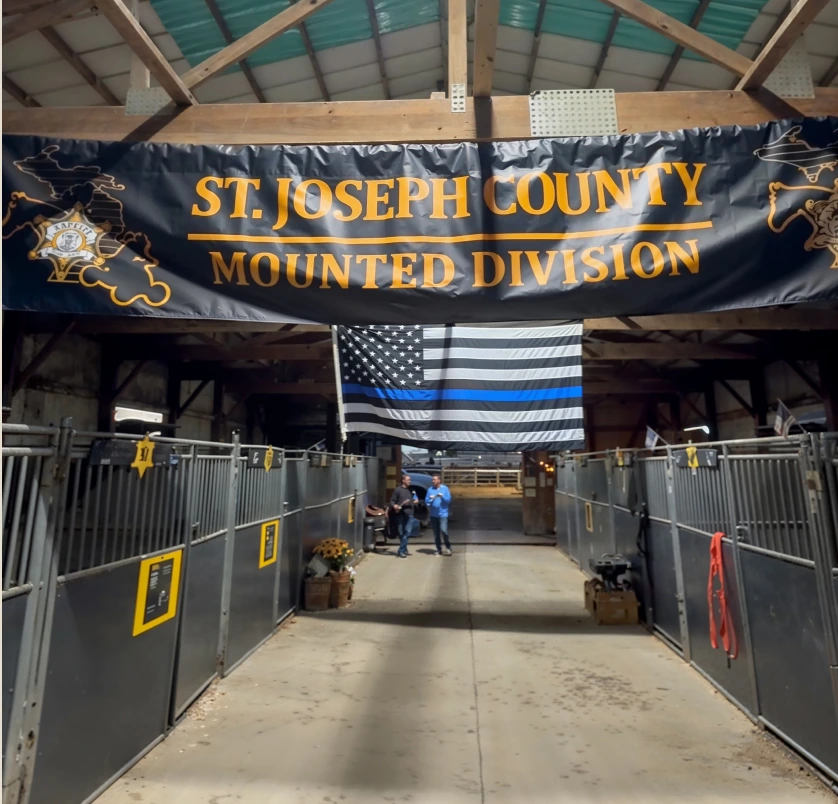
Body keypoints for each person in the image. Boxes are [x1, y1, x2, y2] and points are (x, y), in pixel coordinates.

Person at [390, 474, 418, 559]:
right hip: (400, 514)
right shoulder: (398, 490)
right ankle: (404, 547)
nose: (410, 481)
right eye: (408, 480)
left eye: (410, 480)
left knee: (407, 532)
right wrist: (394, 506)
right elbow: (392, 501)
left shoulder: (412, 490)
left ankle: (401, 551)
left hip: (409, 514)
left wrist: (416, 501)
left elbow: (416, 499)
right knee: (401, 532)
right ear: (403, 480)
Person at [426, 474, 452, 556]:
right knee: (436, 533)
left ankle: (448, 547)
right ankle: (438, 549)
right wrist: (430, 499)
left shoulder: (445, 489)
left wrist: (442, 497)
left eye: (434, 479)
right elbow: (426, 501)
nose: (433, 481)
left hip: (443, 514)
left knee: (444, 530)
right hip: (433, 515)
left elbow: (448, 500)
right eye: (432, 479)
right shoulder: (430, 489)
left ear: (439, 480)